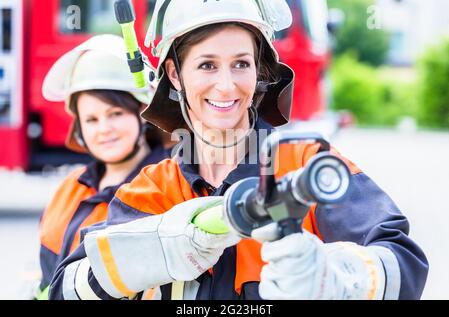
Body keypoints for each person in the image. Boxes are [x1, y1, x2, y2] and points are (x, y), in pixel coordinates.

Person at [49, 0, 428, 300]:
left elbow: (405, 265)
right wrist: (156, 246)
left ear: (260, 71)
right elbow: (66, 289)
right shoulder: (153, 189)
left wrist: (338, 279)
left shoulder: (303, 164)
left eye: (241, 64)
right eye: (208, 65)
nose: (227, 86)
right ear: (175, 75)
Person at [36, 34, 175, 299]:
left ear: (142, 112)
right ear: (79, 127)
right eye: (91, 119)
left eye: (116, 114)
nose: (104, 129)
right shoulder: (70, 188)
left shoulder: (169, 187)